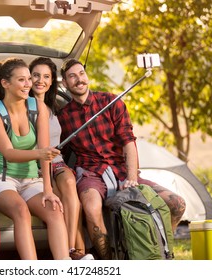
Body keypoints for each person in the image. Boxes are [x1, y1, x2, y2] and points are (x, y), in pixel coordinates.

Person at [57, 58, 186, 260]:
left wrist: (132, 177)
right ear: (65, 83)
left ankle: (161, 250)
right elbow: (56, 151)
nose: (79, 79)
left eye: (81, 73)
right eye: (72, 76)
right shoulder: (62, 117)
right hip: (91, 173)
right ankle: (110, 263)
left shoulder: (111, 101)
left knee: (177, 203)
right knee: (91, 209)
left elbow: (128, 141)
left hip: (122, 170)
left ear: (87, 76)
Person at [0, 57, 70, 260]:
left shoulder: (37, 107)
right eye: (22, 80)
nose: (28, 84)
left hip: (32, 179)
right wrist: (40, 153)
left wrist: (48, 190)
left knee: (55, 211)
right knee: (21, 211)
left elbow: (45, 151)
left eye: (28, 79)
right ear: (5, 83)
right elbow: (9, 153)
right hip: (3, 179)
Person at [28, 57, 94, 260]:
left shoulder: (52, 107)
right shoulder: (25, 105)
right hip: (36, 165)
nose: (41, 80)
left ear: (52, 81)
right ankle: (75, 254)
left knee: (69, 183)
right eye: (36, 75)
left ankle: (71, 249)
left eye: (46, 76)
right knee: (63, 202)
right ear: (28, 78)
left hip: (57, 162)